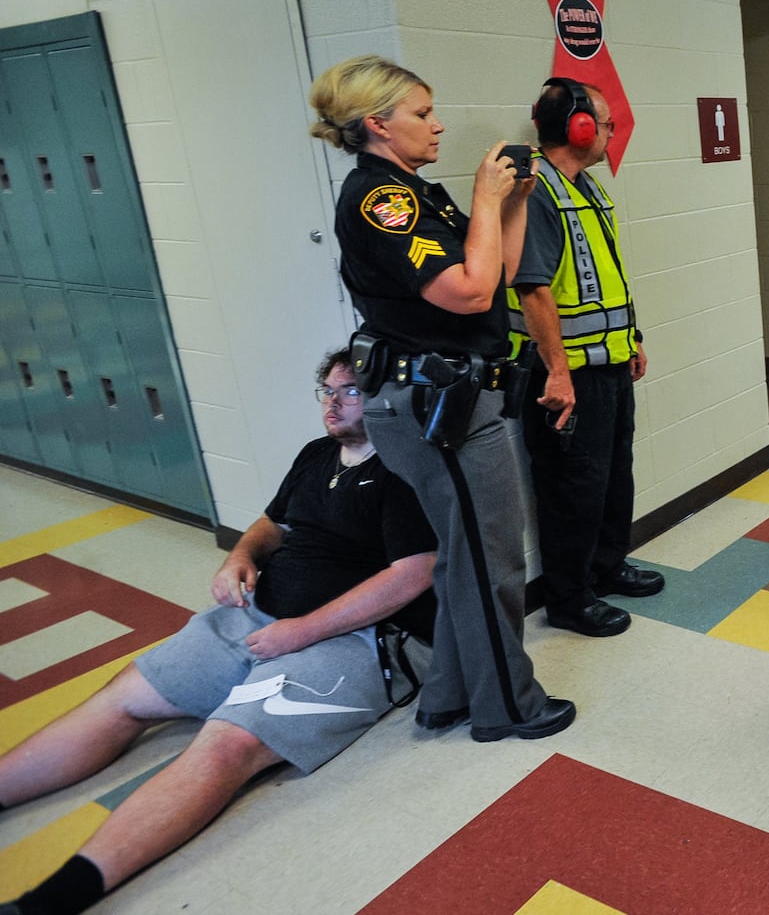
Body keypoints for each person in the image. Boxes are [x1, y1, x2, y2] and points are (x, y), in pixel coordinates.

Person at [0, 350, 438, 915]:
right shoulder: (317, 455)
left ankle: (53, 900)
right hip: (257, 618)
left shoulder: (404, 469)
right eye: (326, 391)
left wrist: (300, 632)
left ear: (380, 398)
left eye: (348, 392)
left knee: (228, 744)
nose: (332, 403)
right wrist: (241, 555)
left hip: (357, 641)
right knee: (123, 698)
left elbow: (412, 573)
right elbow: (272, 524)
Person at [309, 56, 574, 740]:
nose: (438, 125)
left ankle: (451, 694)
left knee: (467, 554)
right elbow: (469, 292)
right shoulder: (381, 199)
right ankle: (508, 706)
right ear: (378, 123)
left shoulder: (416, 192)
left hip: (445, 400)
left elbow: (501, 269)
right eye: (423, 114)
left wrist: (509, 202)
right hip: (437, 406)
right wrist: (485, 200)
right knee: (493, 558)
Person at [507, 78, 663, 639]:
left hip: (608, 363)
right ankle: (570, 599)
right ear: (578, 127)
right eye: (607, 122)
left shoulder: (588, 188)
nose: (611, 132)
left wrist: (632, 335)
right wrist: (557, 372)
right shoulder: (537, 193)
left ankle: (606, 565)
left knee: (610, 476)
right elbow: (532, 290)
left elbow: (604, 272)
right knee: (572, 487)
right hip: (566, 375)